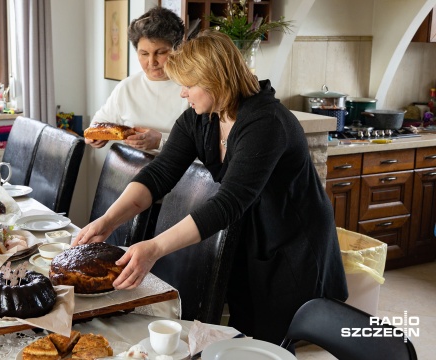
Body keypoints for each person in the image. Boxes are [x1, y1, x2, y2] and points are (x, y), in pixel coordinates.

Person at [74, 30, 348, 346]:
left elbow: (228, 202)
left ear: (216, 81)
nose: (182, 93)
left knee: (276, 341)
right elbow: (159, 174)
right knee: (248, 336)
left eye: (188, 85)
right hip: (248, 234)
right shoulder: (201, 119)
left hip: (291, 242)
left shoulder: (265, 123)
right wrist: (108, 220)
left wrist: (155, 247)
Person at [87, 6, 188, 151]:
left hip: (181, 172)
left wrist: (161, 141)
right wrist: (95, 137)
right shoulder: (127, 87)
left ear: (177, 48)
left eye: (160, 52)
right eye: (144, 54)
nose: (152, 62)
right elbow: (99, 122)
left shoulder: (191, 88)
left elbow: (206, 145)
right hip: (131, 169)